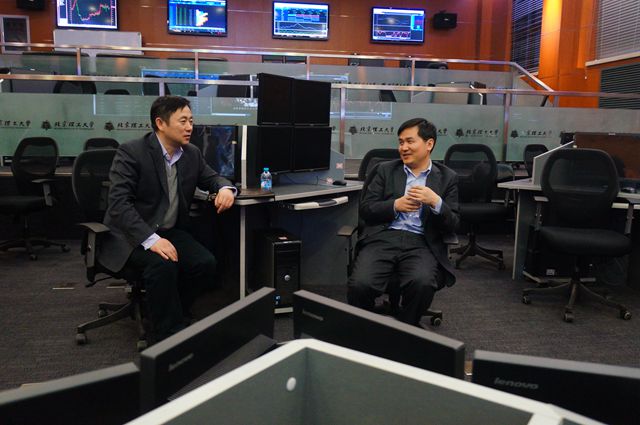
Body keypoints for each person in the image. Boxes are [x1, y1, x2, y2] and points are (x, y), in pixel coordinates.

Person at [100, 95, 237, 341]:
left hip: (168, 231)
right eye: (183, 121)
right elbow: (119, 205)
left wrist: (226, 189)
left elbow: (214, 178)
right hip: (130, 235)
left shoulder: (191, 153)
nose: (189, 127)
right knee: (162, 264)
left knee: (205, 263)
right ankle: (167, 337)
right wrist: (151, 240)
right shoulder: (132, 152)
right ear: (160, 123)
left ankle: (173, 313)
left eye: (191, 121)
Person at [347, 118, 460, 326]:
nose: (403, 148)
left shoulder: (447, 177)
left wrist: (436, 202)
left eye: (410, 141)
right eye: (400, 142)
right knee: (360, 285)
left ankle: (406, 329)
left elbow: (453, 223)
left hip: (421, 241)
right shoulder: (384, 170)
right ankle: (364, 329)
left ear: (429, 144)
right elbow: (366, 209)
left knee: (422, 283)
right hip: (383, 237)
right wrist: (395, 205)